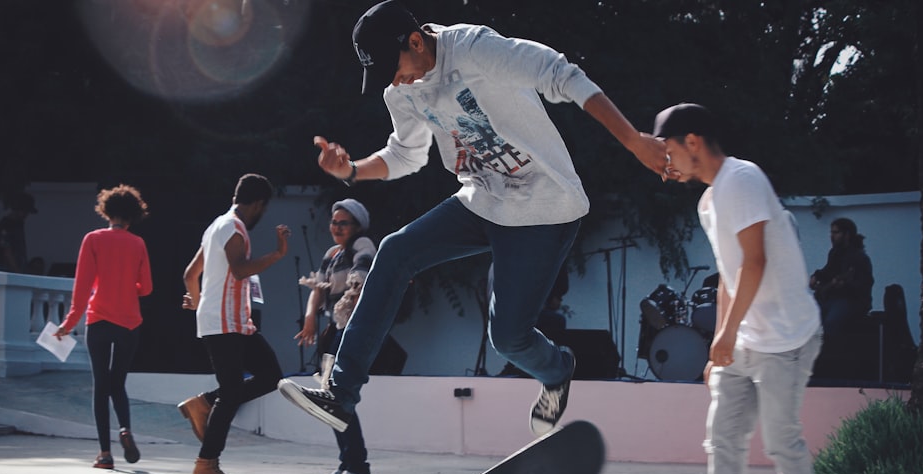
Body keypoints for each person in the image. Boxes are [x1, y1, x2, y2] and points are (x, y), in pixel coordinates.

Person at [278, 0, 667, 438]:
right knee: (395, 251)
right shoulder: (401, 90)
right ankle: (341, 394)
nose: (397, 79)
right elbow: (405, 155)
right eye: (386, 73)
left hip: (546, 209)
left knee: (508, 338)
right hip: (481, 200)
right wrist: (351, 170)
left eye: (397, 65)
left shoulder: (476, 49)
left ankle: (557, 370)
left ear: (415, 40)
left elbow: (562, 74)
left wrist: (634, 141)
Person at [655, 103, 824, 474]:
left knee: (781, 441)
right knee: (723, 437)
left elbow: (756, 261)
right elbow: (730, 273)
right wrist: (720, 345)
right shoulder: (708, 201)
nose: (667, 160)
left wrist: (727, 334)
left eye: (669, 149)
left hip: (788, 338)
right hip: (746, 339)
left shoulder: (743, 180)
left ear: (693, 142)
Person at [178, 174, 290, 474]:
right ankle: (206, 466)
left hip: (230, 322)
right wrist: (278, 254)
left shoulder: (216, 226)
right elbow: (240, 269)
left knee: (270, 376)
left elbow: (190, 275)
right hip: (227, 324)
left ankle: (203, 404)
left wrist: (200, 306)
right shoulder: (234, 228)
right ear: (257, 204)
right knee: (231, 393)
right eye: (262, 209)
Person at [55, 185, 153, 470]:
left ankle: (105, 454)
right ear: (134, 215)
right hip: (129, 323)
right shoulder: (138, 244)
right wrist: (126, 284)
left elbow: (82, 288)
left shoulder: (93, 240)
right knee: (118, 383)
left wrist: (68, 324)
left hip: (99, 320)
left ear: (106, 212)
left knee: (101, 386)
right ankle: (125, 429)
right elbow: (146, 288)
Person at [295, 199, 376, 474]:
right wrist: (309, 320)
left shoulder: (362, 245)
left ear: (357, 226)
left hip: (352, 330)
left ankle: (358, 466)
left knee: (340, 397)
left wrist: (349, 301)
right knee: (330, 398)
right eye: (334, 222)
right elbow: (317, 289)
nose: (337, 227)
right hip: (335, 329)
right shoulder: (331, 254)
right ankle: (347, 463)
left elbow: (361, 277)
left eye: (344, 223)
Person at [809, 217, 874, 338]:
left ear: (847, 234)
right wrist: (815, 276)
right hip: (833, 298)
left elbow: (864, 284)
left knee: (831, 323)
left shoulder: (859, 258)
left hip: (853, 301)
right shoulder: (834, 253)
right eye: (831, 232)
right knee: (808, 319)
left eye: (836, 232)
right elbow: (827, 271)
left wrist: (845, 285)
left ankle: (832, 352)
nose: (832, 236)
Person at [0, 192, 38, 273]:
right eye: (25, 211)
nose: (26, 215)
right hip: (10, 273)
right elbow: (7, 252)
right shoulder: (5, 225)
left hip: (19, 270)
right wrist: (17, 272)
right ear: (18, 209)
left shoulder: (18, 224)